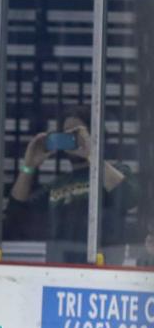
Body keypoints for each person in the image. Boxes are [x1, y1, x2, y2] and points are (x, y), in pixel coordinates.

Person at [8, 107, 142, 264]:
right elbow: (15, 218)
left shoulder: (116, 171)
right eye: (66, 134)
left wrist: (93, 154)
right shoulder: (57, 185)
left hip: (104, 272)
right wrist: (28, 166)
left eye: (76, 134)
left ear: (94, 135)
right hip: (60, 271)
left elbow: (130, 198)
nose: (71, 139)